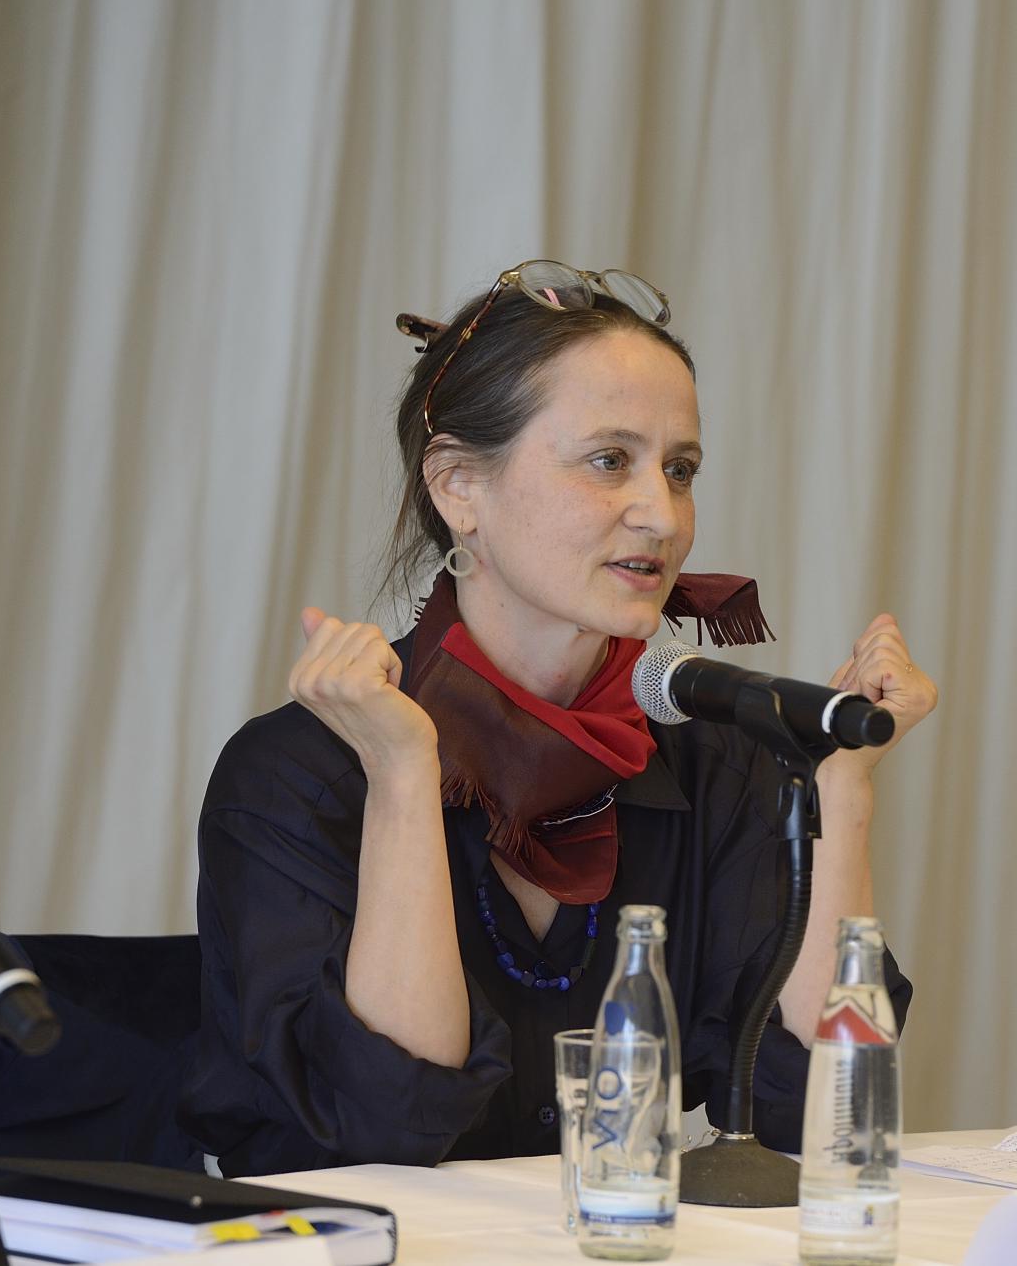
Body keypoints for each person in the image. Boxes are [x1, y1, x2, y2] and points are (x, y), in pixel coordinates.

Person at [177, 261, 939, 1176]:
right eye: (609, 459)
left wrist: (840, 789)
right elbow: (386, 1126)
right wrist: (407, 778)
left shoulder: (714, 763)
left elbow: (824, 1114)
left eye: (681, 468)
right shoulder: (295, 775)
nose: (662, 513)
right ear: (460, 485)